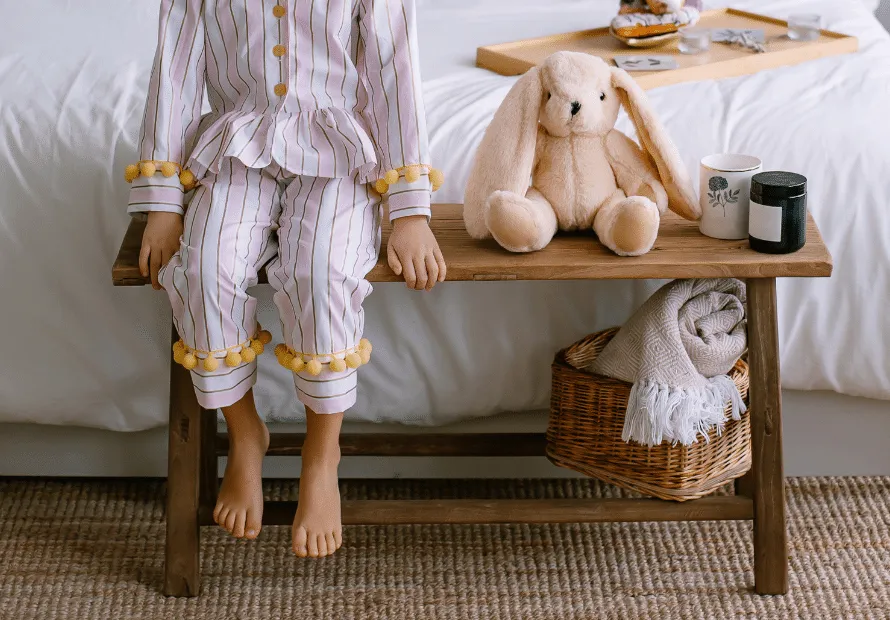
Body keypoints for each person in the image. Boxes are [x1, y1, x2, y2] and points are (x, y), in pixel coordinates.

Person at [127, 0, 445, 559]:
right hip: (236, 146)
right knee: (202, 271)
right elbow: (174, 72)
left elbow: (393, 67)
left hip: (338, 149)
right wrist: (163, 201)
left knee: (322, 273)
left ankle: (322, 455)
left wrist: (409, 209)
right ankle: (245, 432)